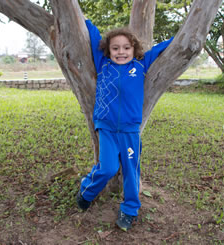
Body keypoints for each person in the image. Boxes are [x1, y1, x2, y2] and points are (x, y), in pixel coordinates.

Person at [77, 19, 173, 231]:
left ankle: (129, 210)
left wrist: (181, 38)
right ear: (108, 50)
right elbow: (93, 37)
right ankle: (87, 191)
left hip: (130, 130)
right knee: (108, 167)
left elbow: (159, 49)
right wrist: (87, 21)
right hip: (107, 128)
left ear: (134, 49)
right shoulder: (103, 64)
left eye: (126, 48)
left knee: (131, 171)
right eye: (116, 48)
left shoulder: (140, 65)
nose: (121, 52)